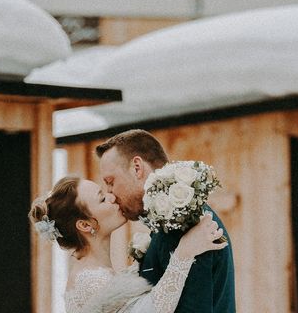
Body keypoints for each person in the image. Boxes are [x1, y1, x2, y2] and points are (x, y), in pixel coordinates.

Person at [29, 175, 227, 313]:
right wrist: (184, 252)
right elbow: (152, 310)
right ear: (85, 224)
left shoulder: (91, 271)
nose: (112, 197)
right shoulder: (90, 280)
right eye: (102, 198)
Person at [96, 129, 236, 313]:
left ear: (137, 167)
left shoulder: (185, 223)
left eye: (110, 182)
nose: (110, 195)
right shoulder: (168, 222)